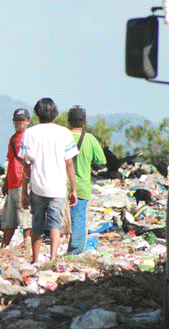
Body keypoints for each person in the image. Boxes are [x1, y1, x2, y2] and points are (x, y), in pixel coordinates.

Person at [20, 98, 78, 263]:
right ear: (55, 113)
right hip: (58, 188)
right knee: (55, 224)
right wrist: (73, 188)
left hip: (37, 186)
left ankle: (35, 258)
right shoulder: (64, 132)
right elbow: (69, 163)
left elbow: (26, 165)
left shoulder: (30, 133)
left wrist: (24, 192)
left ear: (37, 114)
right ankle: (52, 258)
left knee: (36, 224)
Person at [66, 106, 106, 254]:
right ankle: (74, 252)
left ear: (68, 121)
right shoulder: (89, 139)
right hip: (81, 187)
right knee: (78, 221)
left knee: (56, 220)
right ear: (84, 121)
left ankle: (52, 249)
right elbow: (101, 159)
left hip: (61, 186)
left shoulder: (63, 136)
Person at [1, 108, 32, 248]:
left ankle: (27, 245)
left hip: (22, 182)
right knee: (10, 218)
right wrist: (5, 183)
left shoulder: (29, 137)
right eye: (16, 121)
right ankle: (4, 246)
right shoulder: (12, 139)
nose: (19, 123)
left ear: (28, 121)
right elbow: (10, 161)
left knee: (25, 218)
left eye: (22, 120)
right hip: (12, 183)